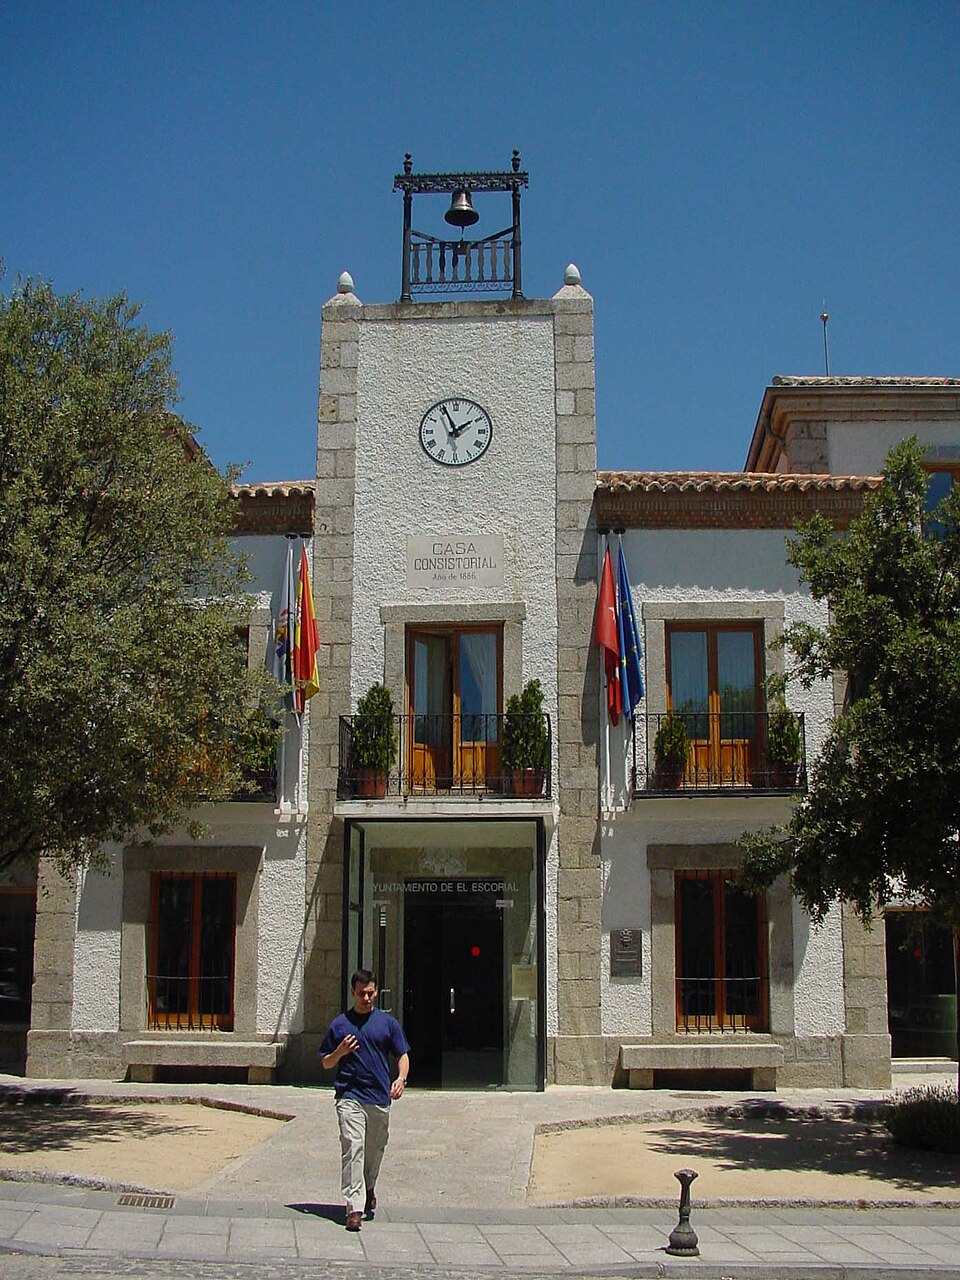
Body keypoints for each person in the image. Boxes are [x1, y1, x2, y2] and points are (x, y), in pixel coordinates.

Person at [319, 968, 411, 1232]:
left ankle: (369, 1185)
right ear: (353, 993)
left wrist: (401, 1079)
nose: (367, 998)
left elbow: (402, 1054)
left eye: (370, 993)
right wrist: (340, 1051)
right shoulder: (339, 1025)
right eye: (362, 993)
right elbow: (325, 1062)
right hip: (349, 1096)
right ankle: (354, 1207)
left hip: (379, 1097)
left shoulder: (387, 1024)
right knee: (353, 1147)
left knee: (375, 1149)